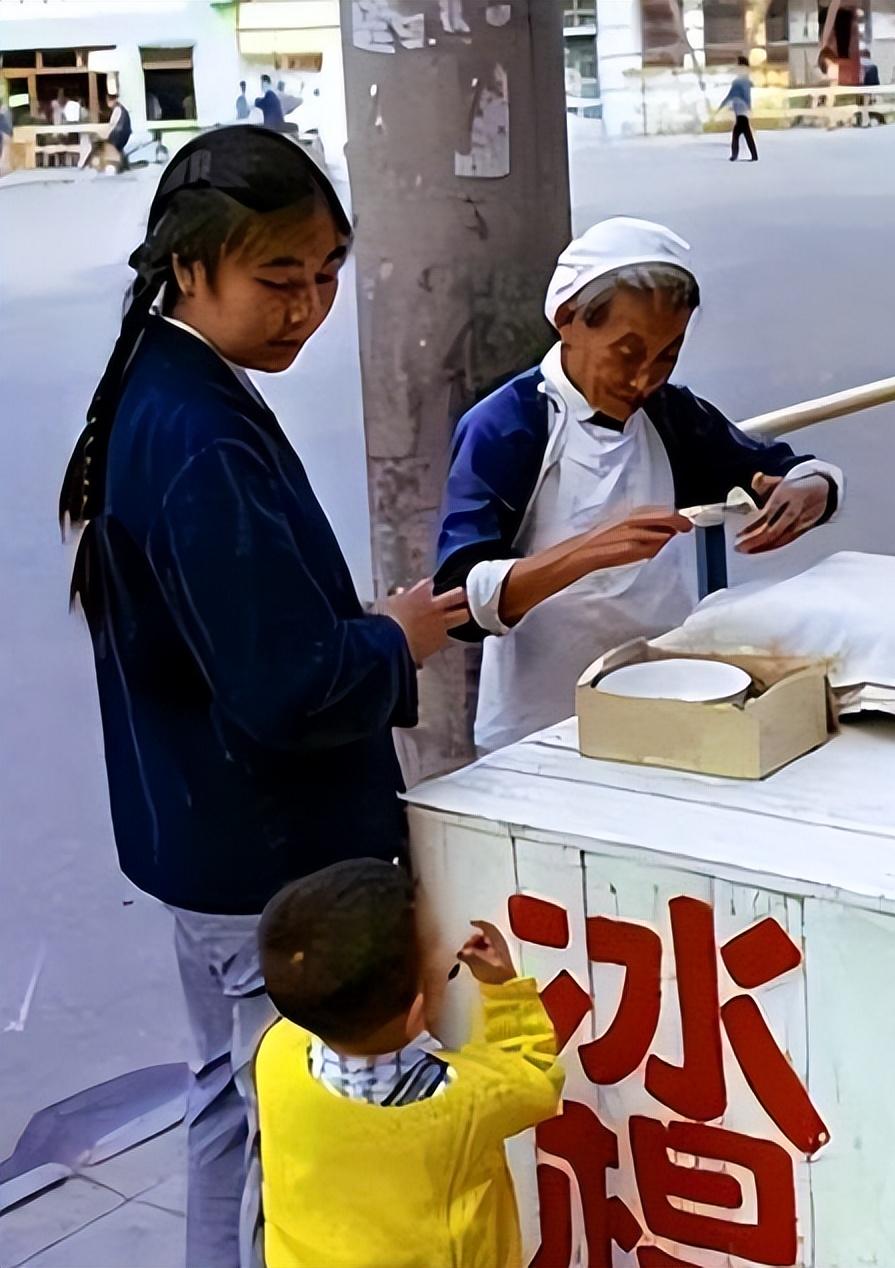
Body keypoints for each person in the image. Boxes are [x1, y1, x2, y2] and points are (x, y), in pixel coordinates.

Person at [58, 126, 468, 1268]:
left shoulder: (162, 380)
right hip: (263, 864)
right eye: (278, 278)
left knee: (229, 1110)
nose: (308, 306)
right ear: (189, 267)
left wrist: (362, 628)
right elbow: (285, 690)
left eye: (328, 273)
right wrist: (394, 636)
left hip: (200, 845)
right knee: (281, 1135)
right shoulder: (199, 434)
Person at [434, 217, 844, 753]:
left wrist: (810, 489)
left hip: (665, 698)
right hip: (539, 726)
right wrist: (588, 551)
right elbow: (458, 600)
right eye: (626, 354)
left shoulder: (669, 415)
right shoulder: (509, 427)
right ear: (568, 321)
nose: (644, 379)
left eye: (666, 356)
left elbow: (779, 466)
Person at [254, 860, 563, 1267]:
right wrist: (503, 990)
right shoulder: (462, 1102)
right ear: (419, 1009)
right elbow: (534, 1079)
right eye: (441, 960)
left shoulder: (276, 1052)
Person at [720, 54, 758, 161]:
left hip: (741, 110)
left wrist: (722, 105)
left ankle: (736, 155)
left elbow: (731, 95)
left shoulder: (740, 80)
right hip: (742, 110)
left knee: (738, 133)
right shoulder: (743, 79)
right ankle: (749, 155)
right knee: (742, 133)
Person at [105, 92, 131, 161]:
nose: (107, 103)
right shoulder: (121, 109)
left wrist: (106, 136)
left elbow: (112, 125)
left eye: (109, 100)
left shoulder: (117, 109)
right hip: (123, 134)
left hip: (119, 135)